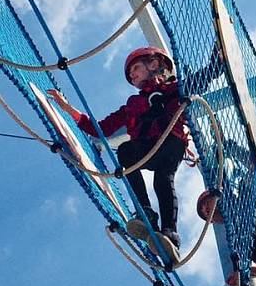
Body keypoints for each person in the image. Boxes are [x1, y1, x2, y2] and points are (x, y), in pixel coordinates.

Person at [48, 47, 188, 263]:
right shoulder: (133, 105)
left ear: (153, 64)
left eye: (135, 68)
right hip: (147, 147)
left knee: (163, 180)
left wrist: (217, 58)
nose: (132, 75)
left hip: (171, 142)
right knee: (125, 151)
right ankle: (145, 212)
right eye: (130, 74)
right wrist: (68, 109)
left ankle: (170, 234)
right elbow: (100, 128)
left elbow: (200, 80)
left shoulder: (174, 89)